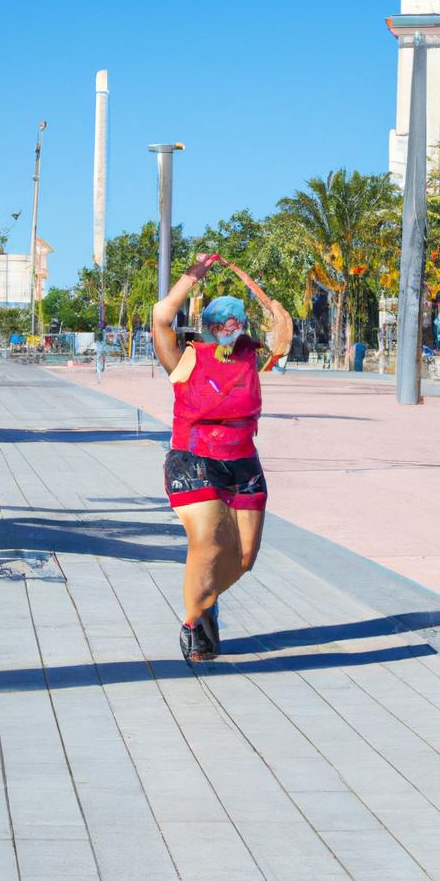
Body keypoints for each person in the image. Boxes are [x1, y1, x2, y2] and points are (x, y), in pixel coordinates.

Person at [152, 253, 293, 661]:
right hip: (194, 460)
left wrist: (276, 312)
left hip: (244, 463)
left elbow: (281, 337)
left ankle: (204, 600)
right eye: (222, 323)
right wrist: (193, 276)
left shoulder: (250, 354)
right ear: (209, 327)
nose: (231, 329)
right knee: (209, 545)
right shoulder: (185, 357)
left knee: (245, 557)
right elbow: (162, 316)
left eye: (237, 323)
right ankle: (194, 620)